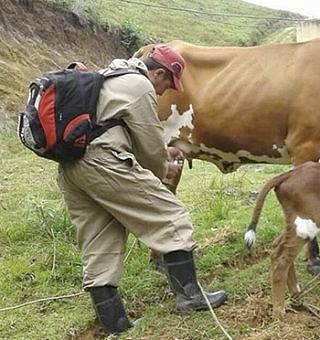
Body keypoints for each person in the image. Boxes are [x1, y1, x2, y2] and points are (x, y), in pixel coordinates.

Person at [57, 45, 227, 335]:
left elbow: (113, 129)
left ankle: (116, 324)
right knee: (171, 215)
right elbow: (149, 146)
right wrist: (165, 168)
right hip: (104, 163)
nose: (164, 92)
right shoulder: (139, 85)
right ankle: (189, 297)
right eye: (167, 84)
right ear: (158, 72)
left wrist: (160, 154)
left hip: (71, 168)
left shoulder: (108, 76)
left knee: (100, 238)